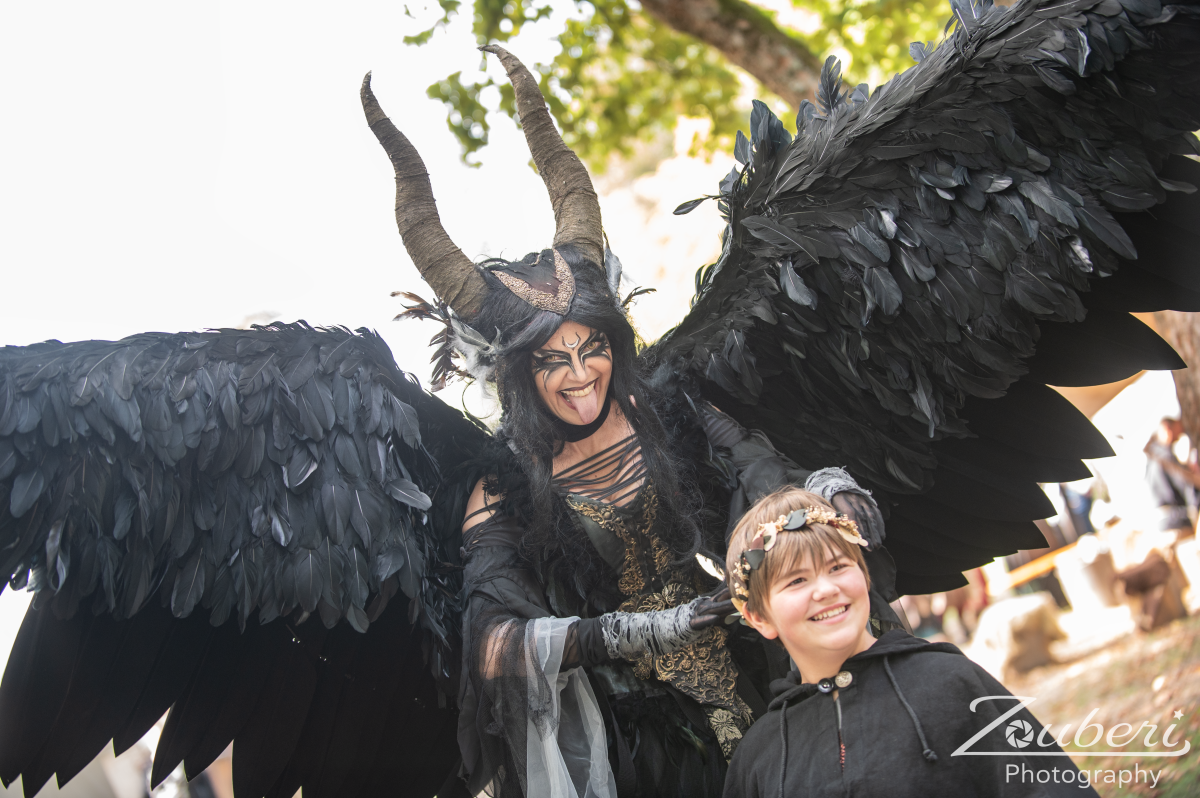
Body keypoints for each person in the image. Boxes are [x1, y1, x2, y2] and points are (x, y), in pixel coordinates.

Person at [452, 246, 889, 798]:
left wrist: (827, 491)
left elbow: (759, 470)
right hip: (656, 749)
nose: (582, 375)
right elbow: (494, 645)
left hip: (764, 670)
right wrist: (639, 632)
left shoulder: (670, 405)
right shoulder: (502, 485)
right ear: (516, 370)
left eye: (592, 347)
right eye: (551, 360)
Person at [722, 488, 1095, 798]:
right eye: (796, 581)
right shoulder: (759, 757)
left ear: (864, 575)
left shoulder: (951, 682)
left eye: (837, 567)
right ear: (759, 617)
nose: (826, 589)